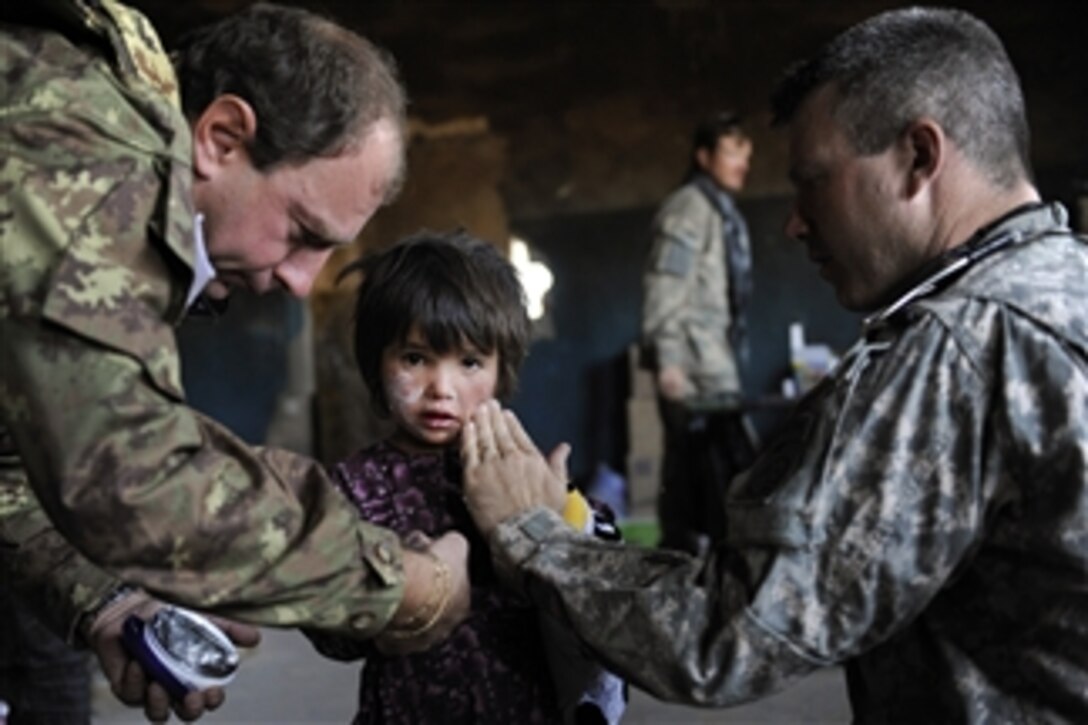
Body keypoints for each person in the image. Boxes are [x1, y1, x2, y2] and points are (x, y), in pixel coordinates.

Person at [460, 6, 1088, 722]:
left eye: (813, 181)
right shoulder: (1064, 284)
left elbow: (731, 632)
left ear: (919, 156)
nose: (793, 221)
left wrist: (533, 535)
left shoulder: (961, 347)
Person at [0, 2, 470, 721]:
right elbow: (131, 475)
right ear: (221, 137)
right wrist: (407, 587)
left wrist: (102, 596)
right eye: (302, 233)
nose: (301, 282)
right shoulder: (80, 137)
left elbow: (11, 456)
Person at [302, 230, 625, 725]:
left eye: (470, 362)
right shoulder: (354, 485)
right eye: (415, 358)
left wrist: (567, 514)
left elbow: (593, 578)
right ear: (376, 363)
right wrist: (391, 587)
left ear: (501, 371)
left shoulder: (518, 469)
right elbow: (332, 636)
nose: (441, 389)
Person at [640, 112, 757, 554]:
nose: (742, 163)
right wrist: (669, 361)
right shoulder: (689, 207)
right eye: (731, 152)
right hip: (694, 368)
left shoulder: (720, 211)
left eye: (746, 154)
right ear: (704, 156)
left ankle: (701, 566)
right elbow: (666, 284)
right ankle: (690, 568)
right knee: (703, 478)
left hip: (716, 361)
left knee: (711, 476)